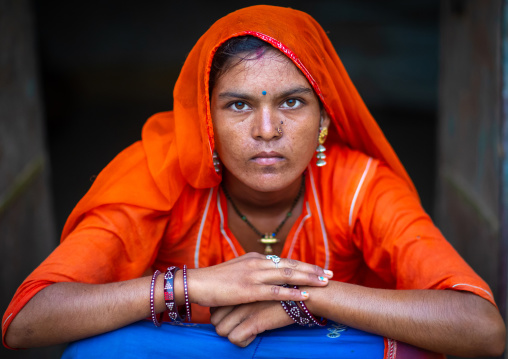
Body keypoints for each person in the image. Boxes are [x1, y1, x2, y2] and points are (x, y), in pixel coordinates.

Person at [2, 5, 505, 358]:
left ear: (325, 119)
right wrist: (195, 285)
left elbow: (483, 329)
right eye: (239, 105)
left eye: (291, 102)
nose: (267, 131)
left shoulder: (358, 187)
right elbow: (27, 321)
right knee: (97, 351)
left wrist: (303, 296)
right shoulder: (159, 175)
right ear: (207, 122)